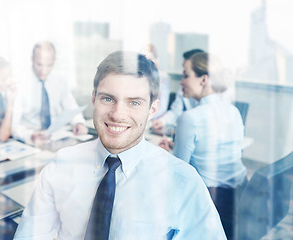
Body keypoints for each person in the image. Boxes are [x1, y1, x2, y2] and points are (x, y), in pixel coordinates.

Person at [13, 51, 227, 239]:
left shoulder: (183, 182)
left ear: (152, 109)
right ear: (94, 98)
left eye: (134, 102)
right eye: (108, 99)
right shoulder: (60, 166)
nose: (117, 114)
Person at [159, 52, 246, 239]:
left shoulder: (190, 118)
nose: (181, 82)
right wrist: (176, 145)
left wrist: (163, 154)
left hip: (207, 204)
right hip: (237, 200)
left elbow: (178, 173)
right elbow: (215, 149)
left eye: (185, 75)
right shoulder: (234, 111)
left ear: (204, 79)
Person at [12, 41, 88, 145]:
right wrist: (29, 134)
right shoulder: (20, 83)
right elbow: (13, 124)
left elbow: (71, 107)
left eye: (49, 65)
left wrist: (78, 123)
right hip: (30, 139)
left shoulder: (59, 81)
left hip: (56, 136)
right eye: (39, 65)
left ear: (54, 61)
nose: (44, 71)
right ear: (32, 59)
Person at [151, 49, 202, 134]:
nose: (181, 81)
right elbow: (176, 111)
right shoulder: (184, 90)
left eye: (186, 74)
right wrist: (162, 121)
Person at [140, 43, 171, 119]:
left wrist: (146, 118)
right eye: (143, 59)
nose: (146, 63)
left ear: (156, 60)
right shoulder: (136, 78)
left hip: (154, 119)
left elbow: (162, 108)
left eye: (150, 59)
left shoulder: (163, 78)